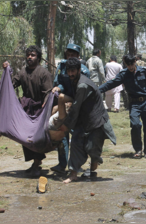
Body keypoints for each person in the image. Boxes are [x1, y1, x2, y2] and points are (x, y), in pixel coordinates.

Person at [58, 58, 116, 184]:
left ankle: (94, 162)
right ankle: (73, 174)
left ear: (79, 70)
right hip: (83, 119)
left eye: (73, 71)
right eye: (69, 71)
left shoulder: (83, 85)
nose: (71, 74)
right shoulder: (73, 80)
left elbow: (75, 108)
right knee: (76, 144)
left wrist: (66, 125)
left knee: (92, 149)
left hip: (95, 120)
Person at [99, 54, 146, 158]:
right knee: (135, 124)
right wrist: (98, 90)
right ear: (125, 64)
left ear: (135, 62)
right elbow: (111, 83)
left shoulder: (143, 70)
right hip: (134, 103)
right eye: (128, 65)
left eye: (132, 64)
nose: (131, 67)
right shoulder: (123, 74)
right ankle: (138, 149)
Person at [11, 45, 53, 177]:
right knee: (25, 137)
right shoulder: (22, 72)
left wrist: (46, 109)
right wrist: (7, 71)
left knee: (37, 138)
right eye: (28, 55)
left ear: (38, 58)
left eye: (33, 55)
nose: (29, 57)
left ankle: (37, 163)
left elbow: (48, 93)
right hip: (26, 108)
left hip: (39, 109)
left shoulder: (44, 73)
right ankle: (34, 163)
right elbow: (11, 83)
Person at [51, 43, 90, 174]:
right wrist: (58, 88)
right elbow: (59, 83)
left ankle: (76, 164)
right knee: (62, 134)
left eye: (73, 54)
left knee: (78, 136)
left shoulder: (83, 70)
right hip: (64, 105)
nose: (70, 56)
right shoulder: (61, 67)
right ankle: (62, 164)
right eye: (68, 53)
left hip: (79, 107)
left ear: (78, 56)